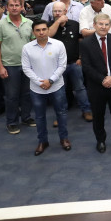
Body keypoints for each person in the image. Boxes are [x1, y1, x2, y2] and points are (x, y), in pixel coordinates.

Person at [79, 13, 111, 152]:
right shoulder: (85, 43)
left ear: (110, 26)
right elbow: (86, 66)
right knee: (98, 115)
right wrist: (102, 79)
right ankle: (100, 140)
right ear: (94, 25)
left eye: (107, 24)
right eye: (100, 24)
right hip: (96, 86)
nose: (103, 27)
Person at [20, 20, 69, 156]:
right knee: (40, 117)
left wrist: (51, 80)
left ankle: (64, 138)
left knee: (61, 113)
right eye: (38, 30)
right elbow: (26, 68)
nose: (41, 32)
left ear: (48, 30)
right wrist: (39, 82)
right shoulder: (27, 48)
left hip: (57, 86)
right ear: (33, 32)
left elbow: (62, 65)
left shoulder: (59, 45)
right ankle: (43, 141)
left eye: (43, 29)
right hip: (37, 88)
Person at [0, 0, 34, 134]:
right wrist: (0, 67)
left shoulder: (29, 23)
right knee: (12, 96)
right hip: (10, 65)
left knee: (27, 94)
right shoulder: (0, 25)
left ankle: (26, 117)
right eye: (11, 5)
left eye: (17, 5)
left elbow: (35, 45)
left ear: (22, 7)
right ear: (6, 8)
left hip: (28, 66)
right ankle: (12, 121)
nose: (15, 7)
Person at [46, 1, 93, 122]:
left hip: (74, 63)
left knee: (80, 88)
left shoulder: (75, 24)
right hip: (56, 66)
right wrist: (57, 21)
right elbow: (48, 36)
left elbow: (82, 42)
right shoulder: (49, 25)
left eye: (59, 11)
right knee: (59, 92)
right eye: (55, 11)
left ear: (65, 11)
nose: (57, 13)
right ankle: (60, 115)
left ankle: (86, 111)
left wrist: (81, 58)